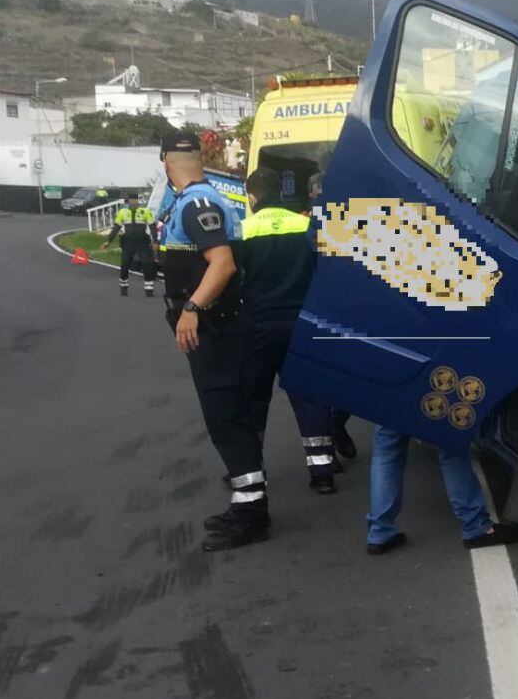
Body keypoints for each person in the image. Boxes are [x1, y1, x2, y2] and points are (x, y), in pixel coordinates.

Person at [158, 132, 268, 551]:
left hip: (217, 332)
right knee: (231, 419)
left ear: (167, 163)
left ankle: (251, 515)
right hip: (222, 329)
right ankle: (247, 504)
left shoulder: (195, 204)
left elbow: (221, 265)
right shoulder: (209, 200)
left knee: (227, 420)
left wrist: (192, 309)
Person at [239, 166, 349, 494]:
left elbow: (234, 278)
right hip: (301, 324)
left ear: (252, 196)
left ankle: (251, 467)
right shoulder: (306, 226)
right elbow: (327, 274)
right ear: (281, 191)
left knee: (253, 400)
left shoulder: (243, 230)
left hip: (257, 326)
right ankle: (322, 472)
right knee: (311, 397)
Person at [366, 424, 518, 554]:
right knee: (452, 449)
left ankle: (380, 530)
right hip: (427, 391)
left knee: (386, 453)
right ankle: (475, 525)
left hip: (391, 393)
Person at [102, 194, 157, 297]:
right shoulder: (122, 212)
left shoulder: (145, 212)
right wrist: (108, 241)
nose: (133, 204)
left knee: (146, 264)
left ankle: (149, 290)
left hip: (142, 243)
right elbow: (116, 228)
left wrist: (155, 242)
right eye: (131, 202)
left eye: (135, 202)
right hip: (128, 243)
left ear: (138, 202)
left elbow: (153, 227)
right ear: (128, 203)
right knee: (125, 265)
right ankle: (124, 288)